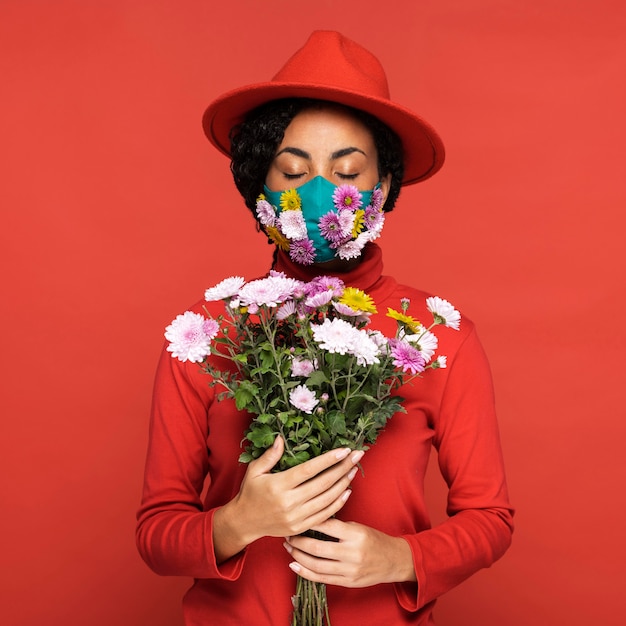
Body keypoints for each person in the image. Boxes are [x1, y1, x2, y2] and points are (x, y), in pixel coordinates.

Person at [136, 31, 514, 626]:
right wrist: (239, 523)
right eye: (292, 170)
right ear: (261, 187)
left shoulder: (437, 335)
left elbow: (490, 520)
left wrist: (400, 557)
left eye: (347, 171)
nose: (319, 193)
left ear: (383, 186)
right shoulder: (210, 337)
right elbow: (156, 531)